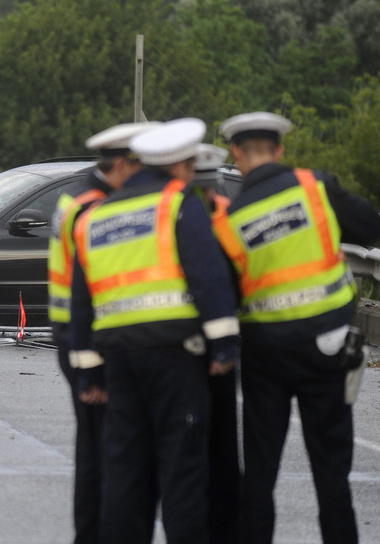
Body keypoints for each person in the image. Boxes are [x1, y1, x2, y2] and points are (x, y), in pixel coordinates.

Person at [69, 118, 241, 543]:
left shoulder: (96, 214)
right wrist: (224, 347)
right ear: (181, 166)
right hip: (174, 356)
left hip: (118, 361)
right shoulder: (177, 201)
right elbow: (207, 275)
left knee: (126, 472)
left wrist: (88, 373)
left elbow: (81, 301)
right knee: (182, 471)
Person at [215, 112, 380, 544]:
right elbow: (370, 227)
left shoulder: (229, 221)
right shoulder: (316, 188)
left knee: (261, 474)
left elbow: (224, 297)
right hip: (327, 349)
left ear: (236, 153)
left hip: (265, 358)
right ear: (280, 150)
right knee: (331, 473)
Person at [47, 121, 160, 544]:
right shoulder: (95, 206)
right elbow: (93, 283)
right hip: (88, 337)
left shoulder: (76, 194)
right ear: (125, 164)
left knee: (93, 449)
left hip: (71, 333)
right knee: (107, 452)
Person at [194, 142, 241, 544]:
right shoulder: (230, 219)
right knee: (223, 451)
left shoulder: (168, 218)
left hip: (184, 348)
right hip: (221, 347)